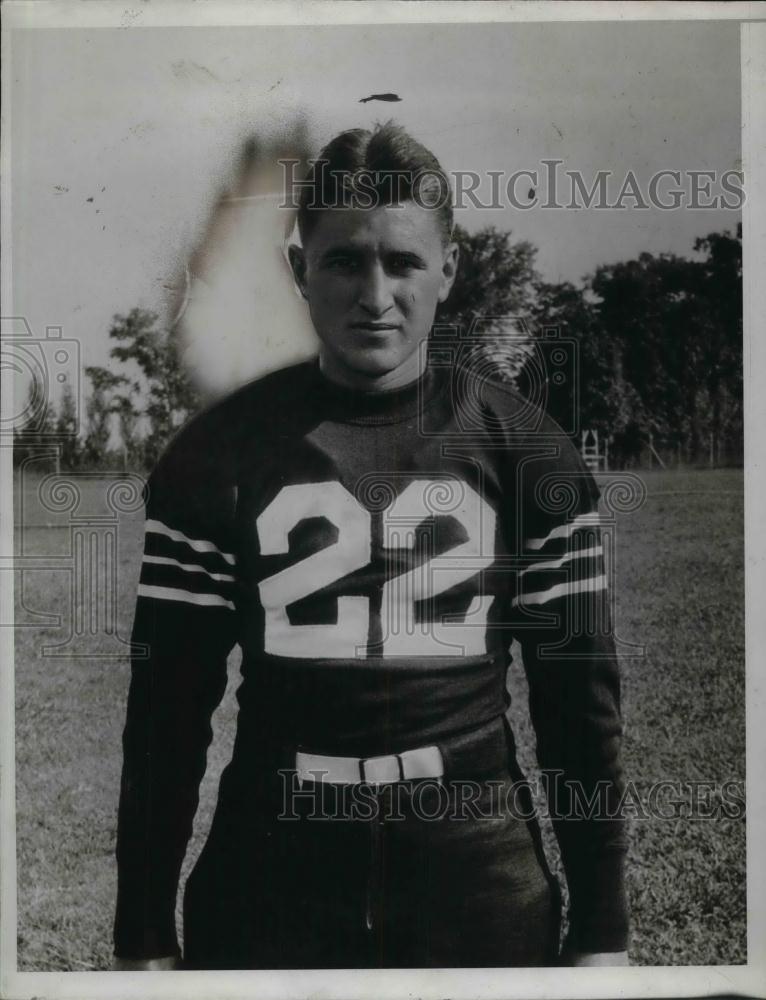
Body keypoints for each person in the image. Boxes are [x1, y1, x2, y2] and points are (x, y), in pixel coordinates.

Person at [113, 122, 629, 970]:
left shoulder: (527, 451)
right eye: (345, 260)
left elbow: (581, 709)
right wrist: (141, 933)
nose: (375, 294)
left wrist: (604, 930)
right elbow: (165, 716)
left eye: (404, 261)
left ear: (450, 270)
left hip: (475, 870)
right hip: (270, 875)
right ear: (297, 270)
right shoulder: (215, 454)